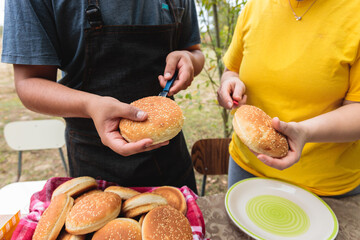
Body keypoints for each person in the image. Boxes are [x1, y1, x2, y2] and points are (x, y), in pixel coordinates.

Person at [1, 0, 204, 193]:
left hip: (169, 155)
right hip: (93, 158)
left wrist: (189, 60)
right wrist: (90, 105)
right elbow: (29, 82)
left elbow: (194, 50)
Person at [217, 0, 360, 197]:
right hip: (247, 170)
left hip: (325, 186)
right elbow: (231, 70)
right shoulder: (254, 6)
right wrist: (230, 83)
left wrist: (305, 132)